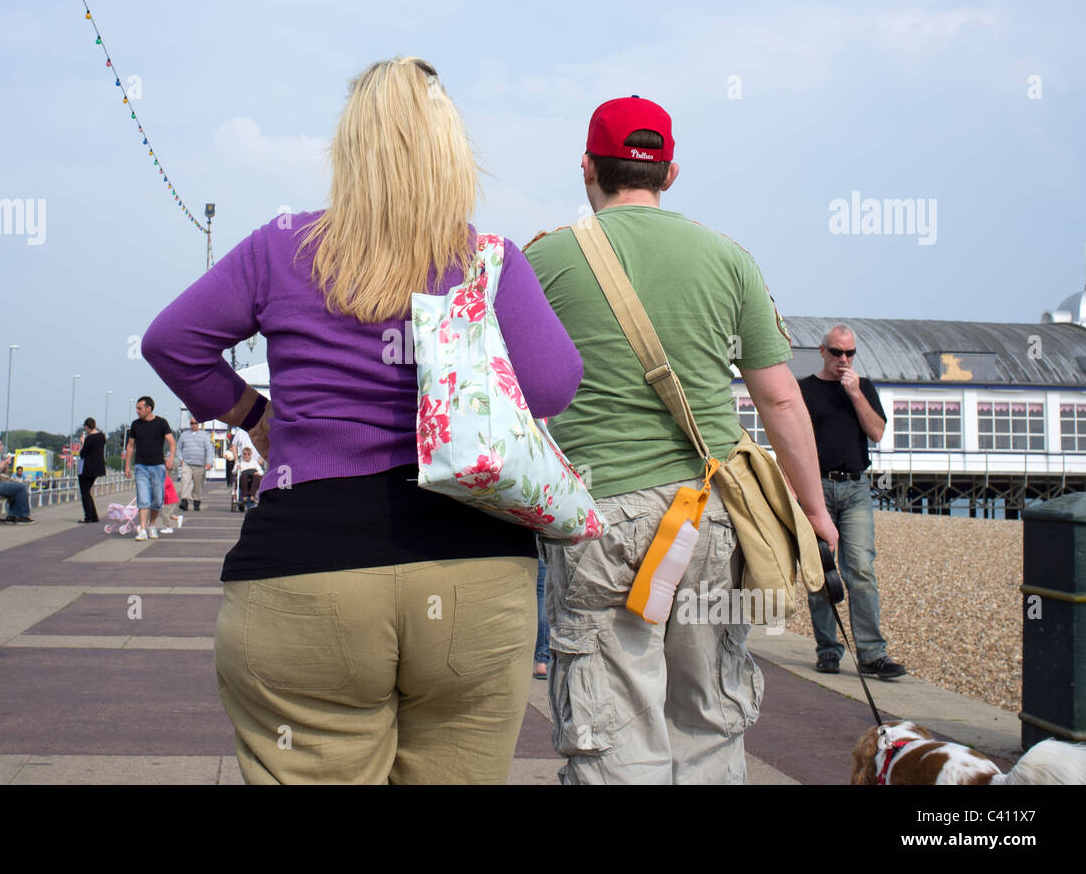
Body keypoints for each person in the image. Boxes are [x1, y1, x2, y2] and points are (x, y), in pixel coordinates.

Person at [142, 56, 582, 784]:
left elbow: (171, 342)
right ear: (451, 147)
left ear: (349, 149)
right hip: (471, 569)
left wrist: (256, 415)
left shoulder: (280, 247)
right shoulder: (486, 258)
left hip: (306, 571)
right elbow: (555, 383)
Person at [524, 95, 838, 785]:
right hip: (711, 514)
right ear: (671, 173)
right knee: (707, 716)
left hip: (599, 516)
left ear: (586, 168)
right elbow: (780, 396)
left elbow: (509, 393)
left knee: (614, 726)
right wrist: (815, 512)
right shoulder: (728, 258)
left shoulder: (544, 261)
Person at [799, 324, 905, 680]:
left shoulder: (863, 387)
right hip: (818, 488)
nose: (843, 359)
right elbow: (794, 443)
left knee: (860, 570)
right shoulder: (805, 390)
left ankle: (873, 654)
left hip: (856, 487)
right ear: (822, 350)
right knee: (823, 573)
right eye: (836, 352)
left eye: (850, 353)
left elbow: (876, 432)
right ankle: (828, 650)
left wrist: (856, 394)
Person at [123, 396, 176, 541]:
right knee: (143, 499)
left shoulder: (161, 423)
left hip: (158, 467)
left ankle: (152, 525)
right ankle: (143, 529)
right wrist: (127, 465)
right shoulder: (135, 425)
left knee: (157, 500)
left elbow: (171, 442)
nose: (137, 411)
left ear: (149, 408)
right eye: (136, 408)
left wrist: (170, 459)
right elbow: (130, 446)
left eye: (139, 408)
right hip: (141, 466)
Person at [175, 417, 214, 511]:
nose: (194, 425)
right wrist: (181, 460)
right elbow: (178, 448)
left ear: (199, 424)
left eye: (196, 423)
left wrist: (209, 462)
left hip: (200, 465)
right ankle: (184, 500)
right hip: (187, 464)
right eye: (192, 423)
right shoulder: (184, 435)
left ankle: (197, 501)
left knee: (198, 485)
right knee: (185, 481)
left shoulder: (204, 435)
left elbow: (209, 450)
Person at [78, 417, 107, 523]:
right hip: (98, 467)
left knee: (85, 492)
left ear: (86, 426)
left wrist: (83, 442)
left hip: (87, 468)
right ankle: (94, 516)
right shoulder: (102, 437)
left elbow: (83, 453)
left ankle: (88, 516)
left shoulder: (89, 438)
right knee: (88, 492)